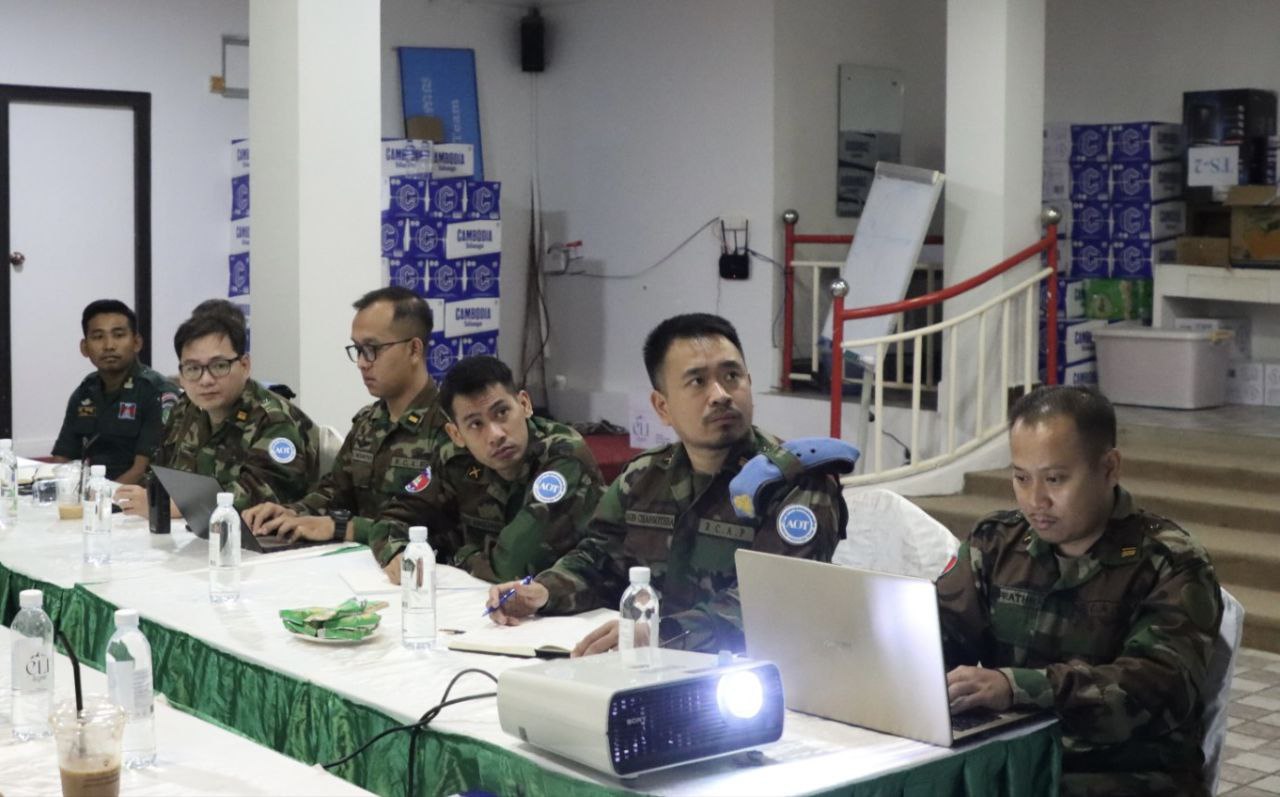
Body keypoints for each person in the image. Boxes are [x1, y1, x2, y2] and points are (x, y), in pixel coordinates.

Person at [485, 313, 848, 655]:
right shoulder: (644, 477)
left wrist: (659, 633)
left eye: (731, 376)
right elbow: (599, 558)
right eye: (697, 382)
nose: (720, 394)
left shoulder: (795, 482)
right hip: (646, 664)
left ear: (749, 384)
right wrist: (543, 591)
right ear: (662, 406)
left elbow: (774, 600)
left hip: (752, 674)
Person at [937, 385, 1222, 797]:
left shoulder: (1170, 561)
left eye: (1055, 479)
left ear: (1109, 468)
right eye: (1021, 478)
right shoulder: (996, 543)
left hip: (1126, 777)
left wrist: (1016, 686)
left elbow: (1156, 690)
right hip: (1017, 764)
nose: (1036, 500)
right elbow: (938, 636)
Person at [242, 287, 450, 549]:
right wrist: (292, 512)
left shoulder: (450, 426)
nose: (362, 363)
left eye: (372, 349)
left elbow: (441, 530)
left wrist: (345, 527)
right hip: (360, 561)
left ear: (414, 350)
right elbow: (334, 492)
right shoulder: (368, 422)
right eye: (358, 349)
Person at [371, 355, 605, 584]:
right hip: (487, 597)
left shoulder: (563, 456)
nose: (495, 435)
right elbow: (391, 519)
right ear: (456, 434)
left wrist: (459, 555)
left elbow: (512, 567)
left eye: (502, 413)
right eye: (475, 424)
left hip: (576, 601)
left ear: (524, 404)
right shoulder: (455, 459)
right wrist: (396, 552)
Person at [116, 306, 318, 514]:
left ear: (245, 366)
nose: (206, 380)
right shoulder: (185, 408)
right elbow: (161, 474)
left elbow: (264, 495)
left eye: (219, 366)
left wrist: (170, 506)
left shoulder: (273, 418)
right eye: (193, 368)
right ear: (182, 375)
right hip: (191, 529)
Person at [50, 300, 180, 484]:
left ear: (136, 342)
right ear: (84, 348)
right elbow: (63, 458)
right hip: (93, 492)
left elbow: (142, 471)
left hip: (136, 495)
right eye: (98, 337)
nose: (109, 345)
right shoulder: (84, 393)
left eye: (118, 335)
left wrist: (101, 495)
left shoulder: (157, 392)